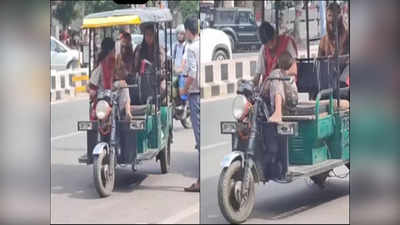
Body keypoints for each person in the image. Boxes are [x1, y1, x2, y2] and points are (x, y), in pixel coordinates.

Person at [87, 38, 131, 121]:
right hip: (102, 97)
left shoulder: (117, 61)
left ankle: (127, 112)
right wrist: (92, 91)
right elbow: (91, 85)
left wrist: (120, 81)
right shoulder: (101, 66)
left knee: (124, 87)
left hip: (114, 95)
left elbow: (124, 74)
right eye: (113, 50)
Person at [181, 17, 200, 192]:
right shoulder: (200, 45)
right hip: (202, 93)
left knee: (199, 138)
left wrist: (184, 89)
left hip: (195, 94)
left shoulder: (192, 48)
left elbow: (192, 73)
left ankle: (200, 181)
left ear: (188, 30)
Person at [254, 21, 298, 88]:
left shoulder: (287, 43)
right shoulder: (263, 50)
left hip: (286, 85)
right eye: (267, 44)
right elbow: (257, 76)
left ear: (275, 34)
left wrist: (281, 74)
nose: (271, 46)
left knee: (277, 86)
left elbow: (294, 69)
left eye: (272, 41)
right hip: (267, 87)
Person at [173, 24, 188, 101]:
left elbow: (184, 62)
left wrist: (179, 70)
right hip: (175, 73)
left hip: (183, 73)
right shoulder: (175, 46)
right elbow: (171, 57)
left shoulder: (187, 46)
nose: (179, 35)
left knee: (182, 89)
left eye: (182, 34)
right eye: (178, 33)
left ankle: (184, 104)